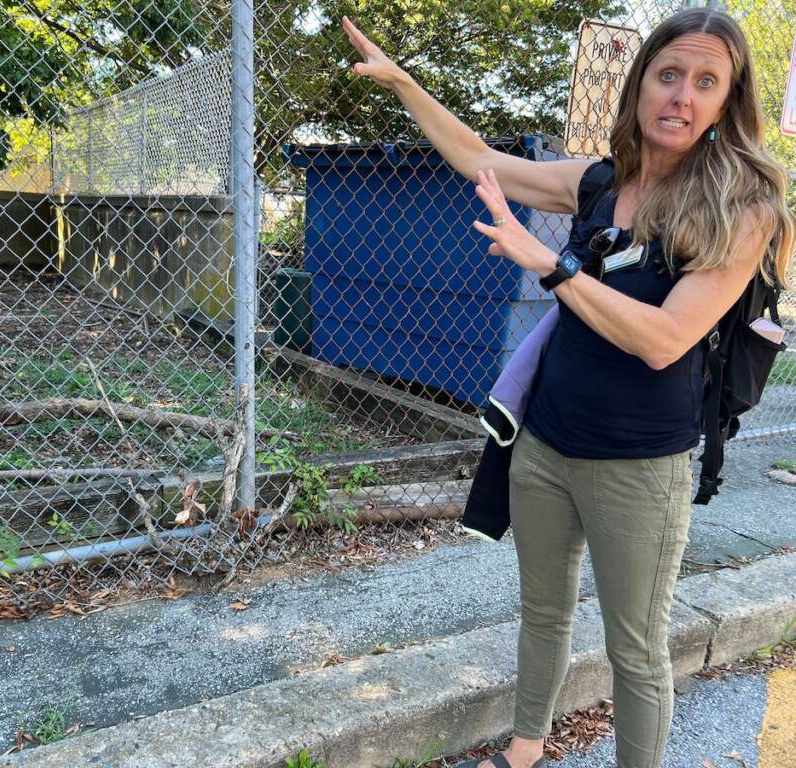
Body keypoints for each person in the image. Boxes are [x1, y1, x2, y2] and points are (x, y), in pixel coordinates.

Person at [343, 7, 793, 768]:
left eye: (705, 82)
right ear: (641, 84)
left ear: (727, 102)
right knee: (543, 614)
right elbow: (479, 159)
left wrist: (554, 267)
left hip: (641, 467)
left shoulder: (741, 210)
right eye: (669, 74)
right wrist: (405, 86)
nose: (681, 96)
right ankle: (524, 750)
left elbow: (663, 340)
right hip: (546, 446)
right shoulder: (596, 184)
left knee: (638, 651)